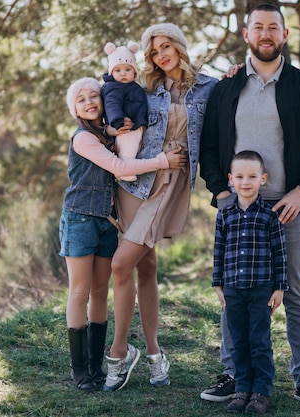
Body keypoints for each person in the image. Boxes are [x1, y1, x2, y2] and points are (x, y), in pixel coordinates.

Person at [199, 3, 300, 411]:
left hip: (287, 207)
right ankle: (234, 375)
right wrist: (221, 194)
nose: (265, 34)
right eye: (257, 27)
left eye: (272, 28)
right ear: (246, 35)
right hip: (238, 208)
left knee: (296, 295)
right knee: (234, 296)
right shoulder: (226, 88)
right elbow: (208, 148)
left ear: (284, 35)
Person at [103, 23, 218, 392]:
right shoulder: (146, 87)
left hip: (170, 184)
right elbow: (113, 108)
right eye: (153, 52)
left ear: (180, 46)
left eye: (165, 47)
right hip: (136, 181)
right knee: (145, 265)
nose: (160, 56)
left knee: (122, 263)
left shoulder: (211, 87)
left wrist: (236, 72)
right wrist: (109, 130)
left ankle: (119, 354)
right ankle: (154, 354)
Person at [61, 77, 186, 391]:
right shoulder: (83, 140)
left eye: (94, 96)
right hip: (79, 220)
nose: (89, 102)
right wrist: (162, 162)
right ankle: (80, 372)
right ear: (74, 109)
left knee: (101, 290)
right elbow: (119, 166)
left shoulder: (106, 135)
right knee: (80, 291)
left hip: (106, 222)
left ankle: (96, 367)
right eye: (81, 99)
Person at [212, 150, 288, 414]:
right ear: (231, 179)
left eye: (252, 176)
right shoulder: (225, 215)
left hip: (261, 290)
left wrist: (279, 287)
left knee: (259, 341)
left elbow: (280, 252)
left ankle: (261, 392)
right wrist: (218, 285)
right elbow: (218, 251)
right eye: (240, 176)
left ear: (263, 179)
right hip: (232, 289)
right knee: (238, 341)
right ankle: (242, 388)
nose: (246, 182)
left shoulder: (269, 215)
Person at [101, 41, 148, 181]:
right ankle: (125, 171)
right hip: (125, 125)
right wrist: (117, 120)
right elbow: (111, 104)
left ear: (134, 72)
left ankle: (128, 167)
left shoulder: (135, 87)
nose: (123, 74)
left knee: (135, 147)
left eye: (127, 70)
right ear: (111, 72)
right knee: (127, 148)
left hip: (137, 124)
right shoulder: (113, 87)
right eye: (117, 70)